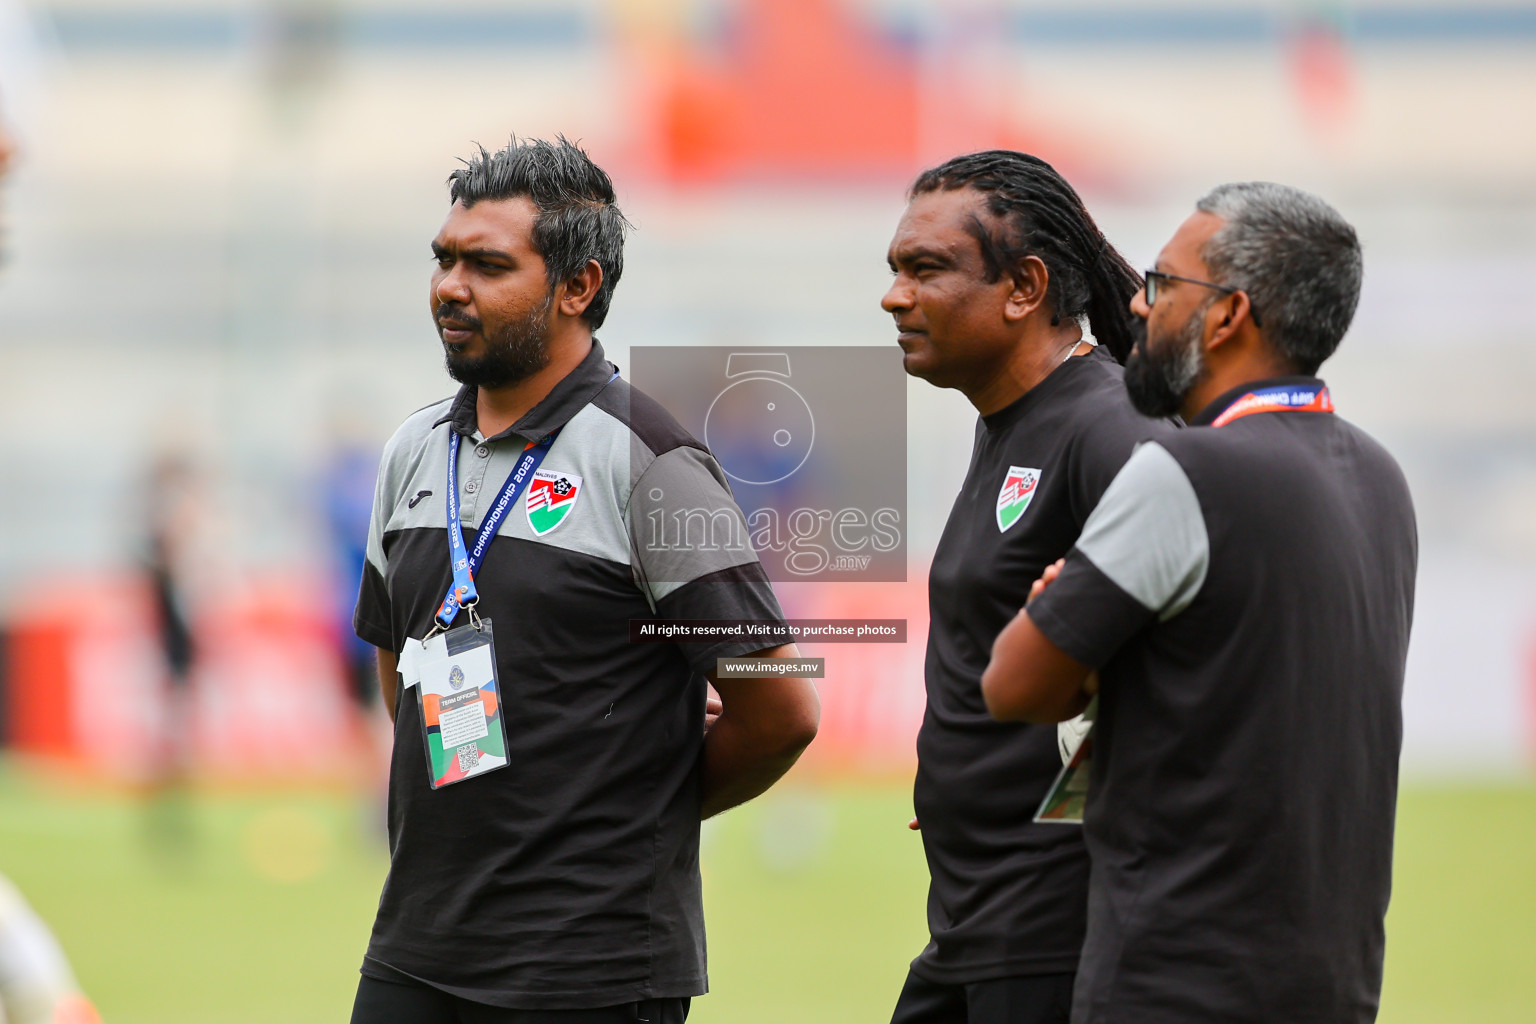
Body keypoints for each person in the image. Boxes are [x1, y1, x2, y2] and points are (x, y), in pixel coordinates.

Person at [349, 137, 819, 1024]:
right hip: (417, 950)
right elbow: (397, 667)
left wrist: (632, 810)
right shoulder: (411, 451)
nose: (451, 286)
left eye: (488, 265)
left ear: (578, 288)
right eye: (445, 259)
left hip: (592, 966)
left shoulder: (652, 460)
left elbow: (782, 707)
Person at [982, 183, 1417, 1024]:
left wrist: (1066, 624)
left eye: (1161, 283)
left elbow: (1013, 684)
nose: (1138, 307)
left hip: (1175, 977)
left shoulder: (1189, 472)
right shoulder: (1380, 475)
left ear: (1228, 316)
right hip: (1336, 979)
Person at [880, 150, 1175, 1024]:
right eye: (894, 270)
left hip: (1058, 921)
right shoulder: (1010, 424)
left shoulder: (1107, 427)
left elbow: (1184, 648)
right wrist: (965, 776)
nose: (895, 296)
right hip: (980, 914)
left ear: (1025, 287)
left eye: (925, 269)